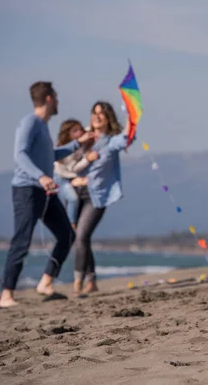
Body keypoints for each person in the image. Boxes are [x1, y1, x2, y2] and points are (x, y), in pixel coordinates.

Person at [0, 81, 92, 308]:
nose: (59, 101)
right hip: (27, 190)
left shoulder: (42, 126)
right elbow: (19, 154)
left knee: (66, 236)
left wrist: (77, 144)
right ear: (49, 98)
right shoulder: (30, 122)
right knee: (22, 241)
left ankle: (45, 282)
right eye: (56, 97)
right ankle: (6, 295)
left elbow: (50, 154)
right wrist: (40, 176)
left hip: (46, 192)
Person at [72, 101, 136, 296]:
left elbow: (127, 138)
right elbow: (65, 153)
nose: (97, 116)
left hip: (97, 196)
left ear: (108, 118)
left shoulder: (111, 141)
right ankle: (91, 280)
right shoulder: (82, 136)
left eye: (102, 114)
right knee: (83, 238)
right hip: (74, 195)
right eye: (94, 113)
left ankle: (77, 284)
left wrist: (131, 117)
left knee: (81, 236)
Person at [53, 119, 99, 230]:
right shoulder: (67, 150)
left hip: (72, 177)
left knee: (74, 199)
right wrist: (88, 159)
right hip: (61, 178)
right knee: (72, 199)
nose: (80, 132)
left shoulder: (84, 137)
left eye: (80, 129)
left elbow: (91, 127)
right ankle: (72, 224)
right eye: (75, 131)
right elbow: (74, 168)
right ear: (68, 135)